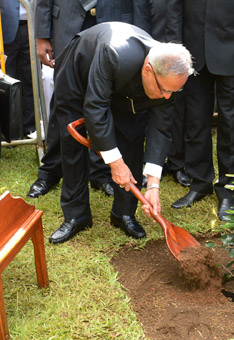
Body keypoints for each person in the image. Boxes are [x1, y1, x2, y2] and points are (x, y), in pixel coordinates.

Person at [46, 22, 193, 244]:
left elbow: (161, 128)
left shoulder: (167, 79)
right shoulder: (114, 53)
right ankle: (77, 216)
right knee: (73, 145)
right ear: (148, 70)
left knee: (132, 136)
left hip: (124, 82)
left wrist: (153, 184)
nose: (167, 97)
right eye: (164, 90)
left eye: (174, 91)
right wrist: (115, 163)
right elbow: (96, 108)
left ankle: (123, 213)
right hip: (79, 74)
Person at [26, 0, 152, 199]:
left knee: (108, 101)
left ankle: (101, 172)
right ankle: (51, 170)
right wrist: (42, 35)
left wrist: (141, 35)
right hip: (66, 24)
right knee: (64, 100)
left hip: (117, 24)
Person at [170, 0, 234, 219]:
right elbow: (174, 7)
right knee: (195, 120)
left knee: (232, 123)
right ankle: (199, 182)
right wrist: (176, 51)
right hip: (193, 51)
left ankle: (228, 190)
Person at [149, 0, 191, 187]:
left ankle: (177, 162)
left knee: (177, 105)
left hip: (182, 40)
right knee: (145, 108)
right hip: (150, 35)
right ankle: (147, 165)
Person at [0, 0, 35, 137]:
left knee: (30, 78)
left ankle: (30, 126)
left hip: (31, 28)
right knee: (7, 81)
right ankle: (9, 130)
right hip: (6, 29)